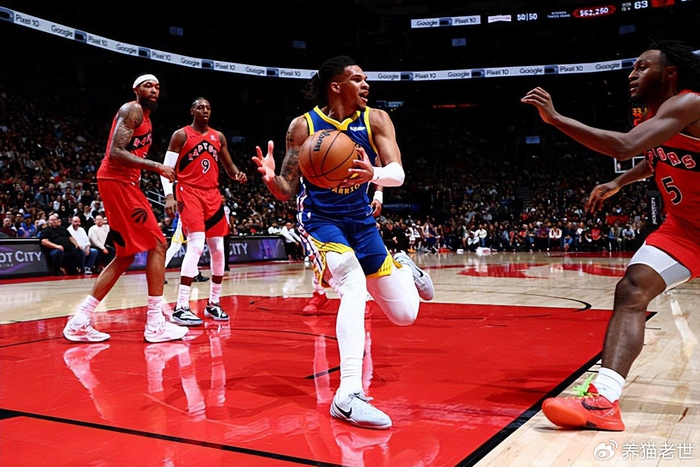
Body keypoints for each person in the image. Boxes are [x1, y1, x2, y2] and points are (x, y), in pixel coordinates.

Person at [522, 39, 700, 431]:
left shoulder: (689, 103)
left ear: (670, 73)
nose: (632, 74)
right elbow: (654, 158)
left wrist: (556, 119)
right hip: (686, 230)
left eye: (643, 67)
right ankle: (603, 400)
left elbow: (624, 146)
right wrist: (619, 182)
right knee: (632, 289)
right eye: (633, 67)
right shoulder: (654, 117)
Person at [252, 55, 434, 430]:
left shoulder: (376, 119)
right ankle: (348, 395)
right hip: (320, 221)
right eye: (358, 79)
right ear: (336, 86)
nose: (366, 84)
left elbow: (397, 173)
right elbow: (287, 189)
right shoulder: (302, 127)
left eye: (366, 79)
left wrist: (374, 173)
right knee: (352, 284)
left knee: (405, 315)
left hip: (361, 222)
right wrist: (271, 180)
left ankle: (403, 266)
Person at [63, 74, 188, 344]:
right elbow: (115, 152)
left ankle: (79, 322)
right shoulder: (132, 109)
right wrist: (157, 166)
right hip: (117, 181)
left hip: (124, 183)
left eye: (157, 86)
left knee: (124, 256)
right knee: (158, 245)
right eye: (148, 86)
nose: (153, 90)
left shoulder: (147, 119)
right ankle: (155, 324)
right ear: (136, 90)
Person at [161, 97, 247, 326]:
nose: (205, 110)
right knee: (197, 246)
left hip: (212, 195)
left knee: (218, 249)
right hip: (188, 192)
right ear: (192, 111)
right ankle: (181, 306)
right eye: (200, 107)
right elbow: (166, 169)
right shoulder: (181, 135)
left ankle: (214, 303)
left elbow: (229, 167)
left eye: (208, 107)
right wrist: (169, 196)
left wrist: (237, 174)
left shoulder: (218, 137)